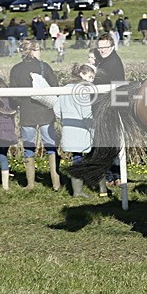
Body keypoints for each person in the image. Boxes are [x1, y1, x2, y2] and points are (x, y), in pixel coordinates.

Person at [9, 40, 61, 191]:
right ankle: (56, 183)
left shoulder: (16, 69)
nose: (40, 52)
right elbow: (55, 87)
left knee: (29, 147)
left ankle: (30, 184)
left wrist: (22, 103)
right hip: (45, 111)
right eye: (38, 49)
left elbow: (13, 95)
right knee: (50, 146)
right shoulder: (44, 66)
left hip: (27, 112)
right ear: (32, 51)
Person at [53, 62, 96, 197]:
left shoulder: (65, 88)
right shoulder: (83, 90)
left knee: (76, 157)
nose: (91, 81)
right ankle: (79, 190)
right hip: (81, 129)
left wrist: (65, 118)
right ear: (82, 74)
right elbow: (86, 112)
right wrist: (93, 127)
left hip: (68, 127)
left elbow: (56, 109)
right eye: (90, 77)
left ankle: (78, 189)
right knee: (80, 158)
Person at [93, 33, 125, 190]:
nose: (102, 50)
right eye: (100, 47)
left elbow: (98, 84)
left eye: (105, 47)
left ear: (112, 47)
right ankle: (116, 176)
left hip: (107, 108)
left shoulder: (109, 64)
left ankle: (111, 176)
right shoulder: (109, 60)